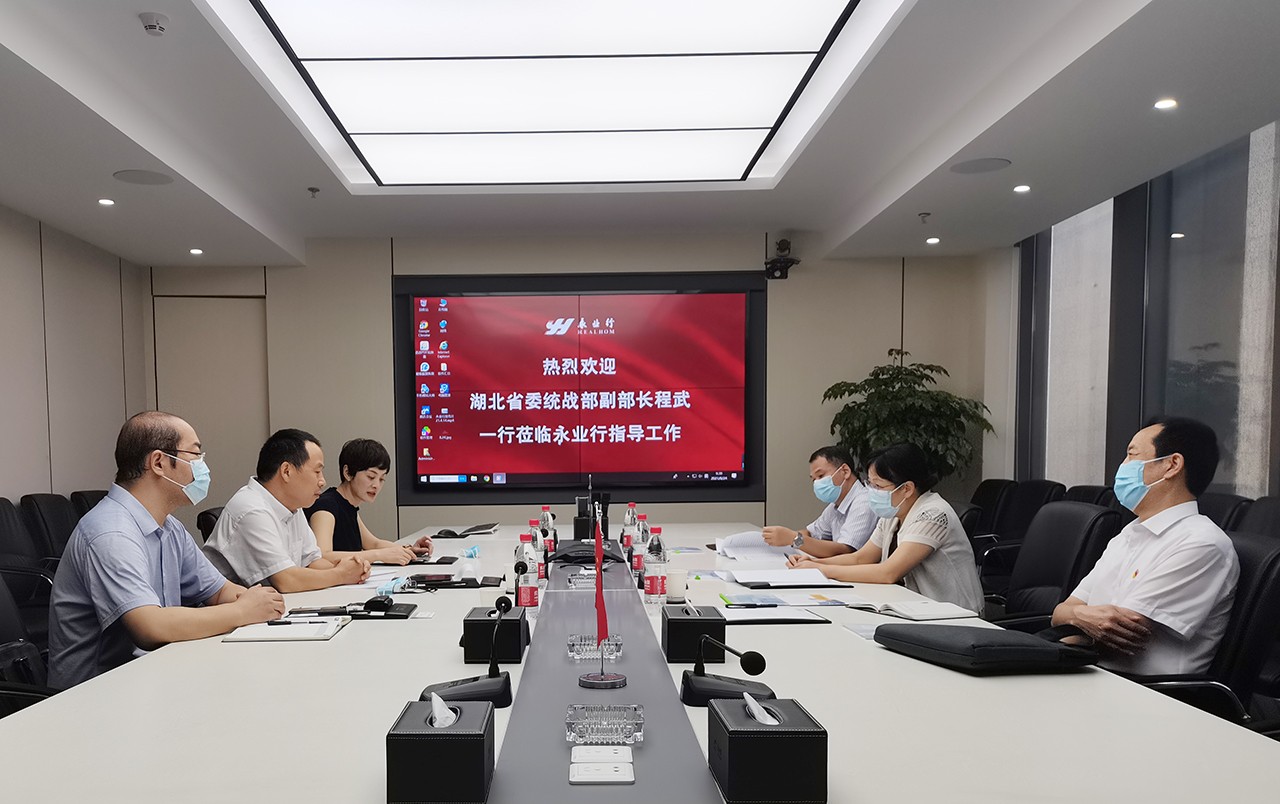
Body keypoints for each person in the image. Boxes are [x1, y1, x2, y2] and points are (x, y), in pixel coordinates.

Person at [47, 411, 286, 689]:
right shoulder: (111, 533)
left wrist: (259, 603)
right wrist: (242, 611)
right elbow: (150, 627)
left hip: (150, 674)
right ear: (159, 462)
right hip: (94, 694)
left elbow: (219, 592)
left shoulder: (170, 527)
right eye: (195, 455)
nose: (202, 467)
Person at [1052, 416, 1239, 675]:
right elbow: (1060, 614)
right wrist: (1078, 617)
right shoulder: (1130, 533)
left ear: (1172, 465)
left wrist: (1074, 617)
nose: (1122, 466)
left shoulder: (1201, 543)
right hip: (1094, 673)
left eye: (1132, 455)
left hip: (1146, 690)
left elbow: (1113, 636)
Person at [787, 443, 984, 613]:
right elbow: (861, 558)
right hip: (914, 606)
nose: (872, 492)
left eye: (879, 486)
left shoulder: (933, 514)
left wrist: (821, 569)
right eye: (870, 484)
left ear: (906, 488)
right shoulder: (894, 513)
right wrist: (813, 562)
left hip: (954, 615)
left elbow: (888, 573)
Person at [203, 429, 371, 592]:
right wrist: (341, 574)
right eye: (317, 472)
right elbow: (286, 580)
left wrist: (352, 569)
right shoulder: (251, 509)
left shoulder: (292, 506)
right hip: (225, 607)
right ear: (286, 471)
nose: (322, 481)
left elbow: (312, 562)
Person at [305, 438, 432, 564]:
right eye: (371, 477)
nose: (376, 485)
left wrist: (409, 550)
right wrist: (378, 555)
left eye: (381, 479)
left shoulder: (348, 506)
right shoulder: (325, 507)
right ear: (347, 473)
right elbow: (322, 556)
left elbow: (373, 544)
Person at [761, 446, 877, 557]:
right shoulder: (835, 505)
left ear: (845, 471)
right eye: (813, 480)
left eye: (821, 476)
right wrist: (783, 538)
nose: (817, 483)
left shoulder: (864, 503)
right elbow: (811, 534)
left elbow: (844, 551)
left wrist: (793, 539)